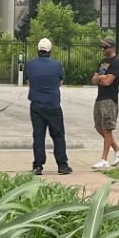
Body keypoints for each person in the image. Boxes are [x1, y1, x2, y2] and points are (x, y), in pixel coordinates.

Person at [23, 37, 71, 175]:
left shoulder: (30, 65)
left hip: (37, 105)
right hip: (53, 104)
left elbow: (28, 80)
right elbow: (60, 82)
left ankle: (38, 165)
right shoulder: (57, 65)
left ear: (38, 50)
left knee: (38, 135)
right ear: (50, 50)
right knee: (58, 135)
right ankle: (62, 165)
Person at [90, 36, 119, 170]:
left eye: (105, 47)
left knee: (107, 128)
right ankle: (118, 149)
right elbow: (93, 79)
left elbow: (107, 82)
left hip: (109, 99)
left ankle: (104, 159)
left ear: (112, 47)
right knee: (99, 127)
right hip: (100, 98)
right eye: (102, 47)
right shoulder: (103, 62)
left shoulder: (116, 63)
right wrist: (101, 77)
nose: (103, 49)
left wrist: (101, 78)